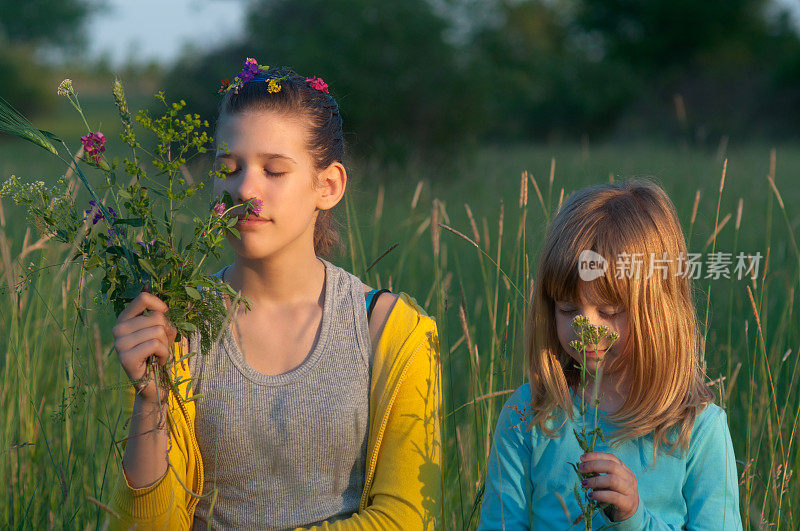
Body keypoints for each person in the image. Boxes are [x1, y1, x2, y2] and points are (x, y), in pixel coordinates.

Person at [106, 60, 442, 529]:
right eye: (229, 168)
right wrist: (149, 400)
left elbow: (409, 518)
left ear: (327, 186)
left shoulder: (391, 329)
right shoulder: (175, 328)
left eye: (274, 170)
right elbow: (149, 525)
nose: (245, 188)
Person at [478, 180, 742, 529]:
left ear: (659, 311)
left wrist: (633, 519)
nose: (586, 327)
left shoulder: (699, 430)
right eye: (568, 308)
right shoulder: (527, 415)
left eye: (609, 309)